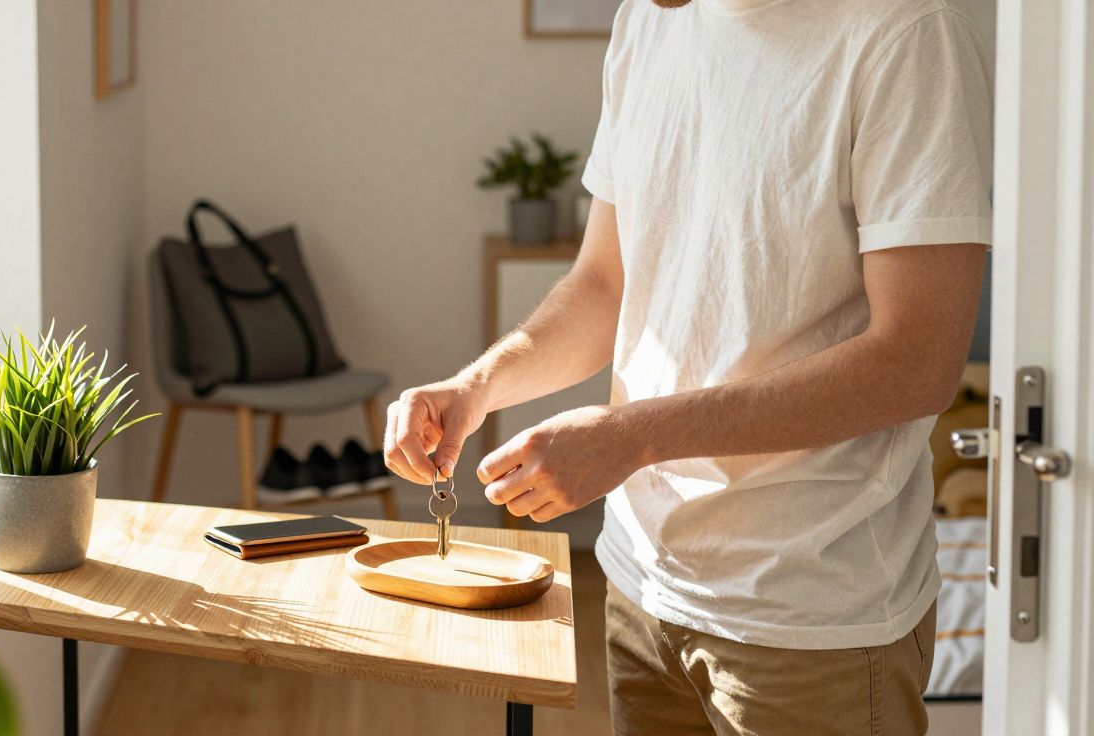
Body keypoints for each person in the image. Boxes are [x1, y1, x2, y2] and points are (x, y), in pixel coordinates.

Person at [383, 0, 992, 733]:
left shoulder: (906, 32)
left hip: (808, 614)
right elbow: (605, 283)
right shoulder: (650, 18)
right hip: (642, 587)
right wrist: (477, 386)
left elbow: (916, 360)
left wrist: (632, 435)